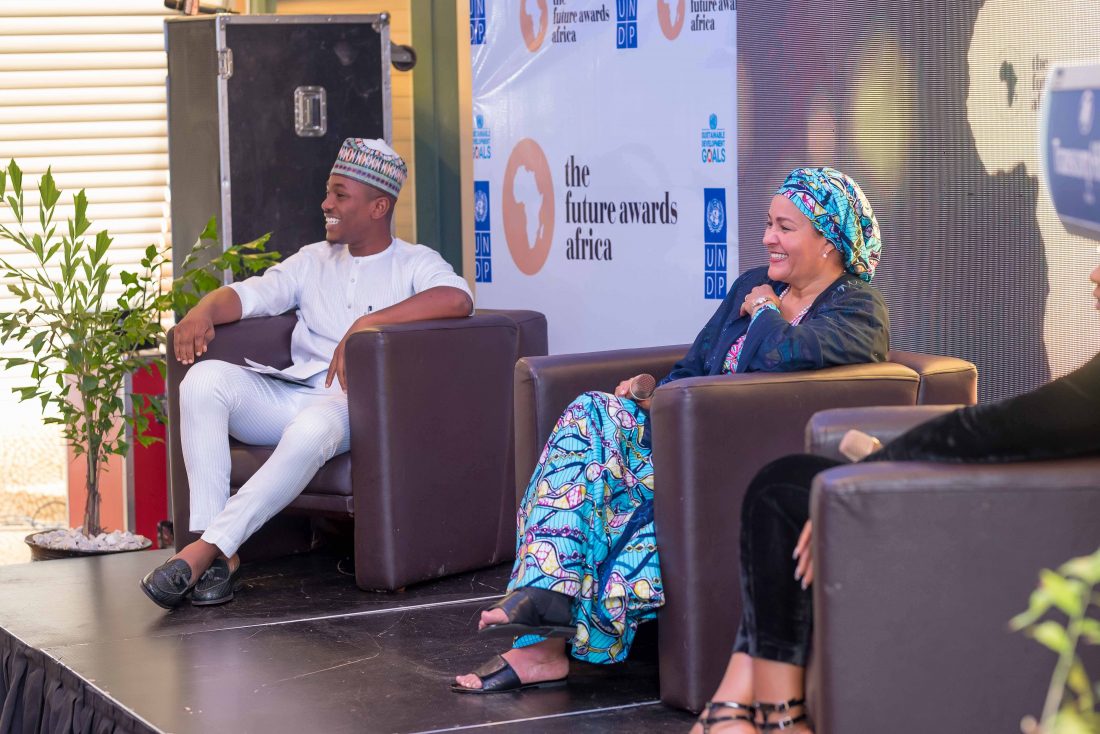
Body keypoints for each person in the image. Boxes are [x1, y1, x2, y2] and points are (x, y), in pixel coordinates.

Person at [452, 167, 888, 694]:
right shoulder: (754, 283)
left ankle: (542, 633)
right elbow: (695, 367)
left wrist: (765, 311)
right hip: (685, 444)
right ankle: (543, 609)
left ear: (829, 241)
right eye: (768, 223)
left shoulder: (856, 307)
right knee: (592, 412)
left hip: (742, 466)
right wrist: (650, 391)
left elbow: (785, 357)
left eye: (785, 227)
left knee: (607, 486)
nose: (768, 237)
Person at [694, 262, 1100, 732]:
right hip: (1015, 510)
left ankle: (755, 715)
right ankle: (745, 713)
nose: (1093, 273)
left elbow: (1001, 428)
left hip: (1015, 528)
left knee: (783, 496)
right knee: (785, 485)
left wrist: (865, 477)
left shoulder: (854, 304)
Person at [140, 138, 473, 609]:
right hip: (293, 393)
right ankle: (222, 555)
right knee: (202, 381)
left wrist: (365, 325)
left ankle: (202, 549)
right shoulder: (311, 260)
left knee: (313, 426)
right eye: (327, 192)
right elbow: (248, 295)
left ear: (379, 206)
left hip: (352, 406)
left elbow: (457, 299)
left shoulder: (414, 262)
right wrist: (202, 311)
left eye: (340, 195)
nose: (326, 204)